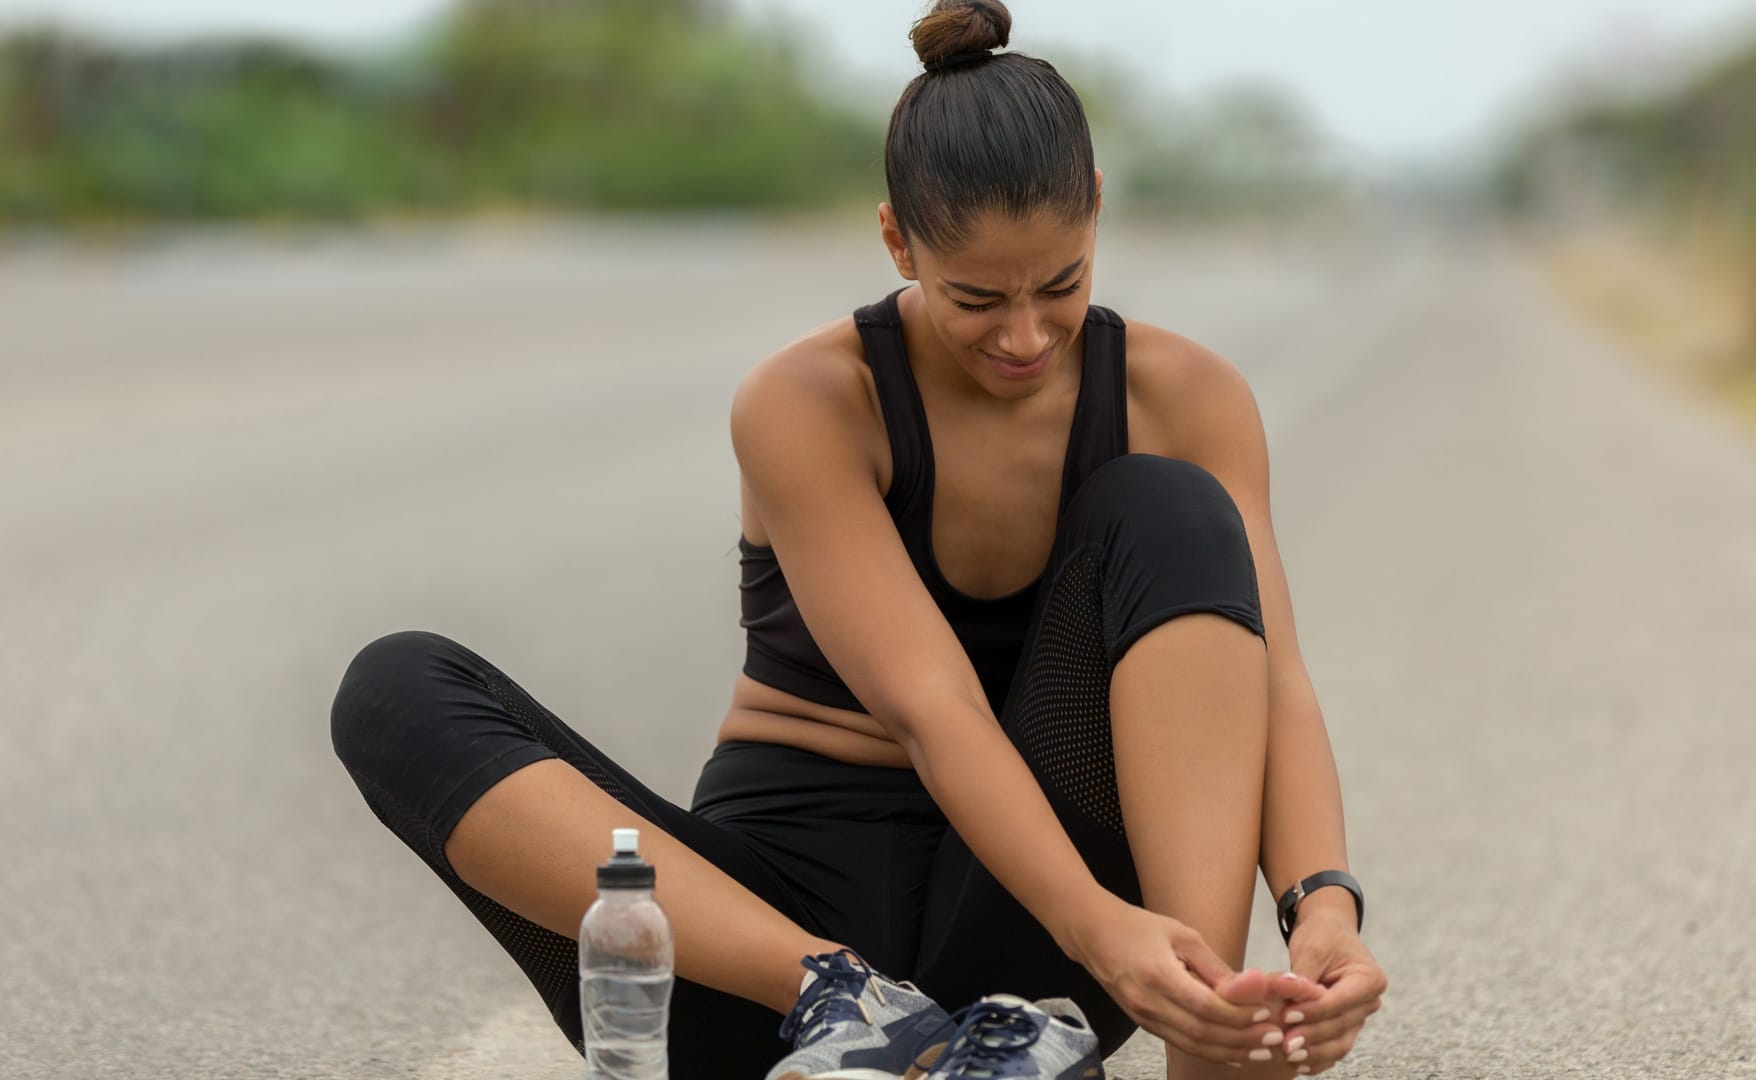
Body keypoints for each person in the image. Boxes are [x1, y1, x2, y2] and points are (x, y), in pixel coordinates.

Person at [329, 2, 1387, 1077]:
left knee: (1173, 508)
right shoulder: (809, 402)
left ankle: (1211, 1039)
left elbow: (1276, 687)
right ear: (896, 240)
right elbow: (931, 710)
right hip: (774, 966)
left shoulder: (1185, 396)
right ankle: (857, 1006)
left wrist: (1322, 907)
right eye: (976, 298)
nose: (1024, 336)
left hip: (1038, 970)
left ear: (1098, 214)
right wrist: (1097, 929)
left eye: (1061, 285)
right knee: (393, 687)